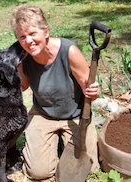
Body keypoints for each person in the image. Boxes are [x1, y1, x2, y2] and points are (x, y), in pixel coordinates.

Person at [11, 4, 100, 180]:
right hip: (43, 114)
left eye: (32, 33)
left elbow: (88, 88)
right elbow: (23, 86)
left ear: (46, 31)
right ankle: (55, 141)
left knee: (90, 168)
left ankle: (63, 141)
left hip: (75, 115)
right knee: (38, 172)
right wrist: (11, 74)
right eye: (22, 36)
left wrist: (93, 91)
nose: (28, 41)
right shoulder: (23, 57)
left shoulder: (69, 51)